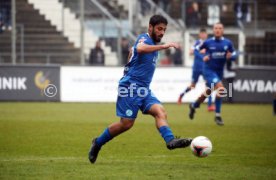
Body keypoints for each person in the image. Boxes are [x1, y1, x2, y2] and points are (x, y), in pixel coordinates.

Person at [88, 15, 192, 164]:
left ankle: (170, 141)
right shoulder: (145, 39)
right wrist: (163, 46)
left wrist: (131, 60)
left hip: (144, 89)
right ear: (150, 27)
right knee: (126, 124)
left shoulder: (153, 44)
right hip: (130, 87)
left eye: (164, 29)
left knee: (160, 111)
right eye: (159, 29)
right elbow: (140, 47)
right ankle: (97, 143)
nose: (162, 32)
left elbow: (133, 52)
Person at [189, 23, 237, 126]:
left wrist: (231, 57)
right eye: (216, 28)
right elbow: (196, 49)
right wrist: (204, 56)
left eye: (220, 28)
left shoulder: (227, 43)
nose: (217, 30)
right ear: (213, 30)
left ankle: (194, 105)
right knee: (221, 88)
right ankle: (218, 116)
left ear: (223, 30)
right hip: (208, 70)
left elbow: (234, 54)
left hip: (219, 72)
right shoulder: (208, 42)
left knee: (207, 92)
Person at [178, 28, 215, 112]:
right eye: (201, 33)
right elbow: (190, 52)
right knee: (192, 86)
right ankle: (181, 95)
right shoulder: (197, 43)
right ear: (199, 35)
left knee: (209, 85)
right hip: (196, 68)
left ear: (206, 34)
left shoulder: (209, 43)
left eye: (204, 33)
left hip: (205, 68)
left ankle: (209, 105)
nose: (203, 35)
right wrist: (198, 51)